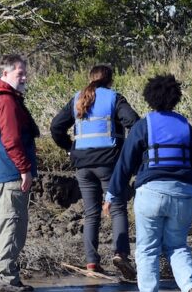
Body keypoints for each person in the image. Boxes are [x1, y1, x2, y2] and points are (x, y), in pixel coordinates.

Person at [104, 74, 192, 292]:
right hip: (183, 193)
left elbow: (125, 163)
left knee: (147, 250)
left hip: (150, 193)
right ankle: (190, 287)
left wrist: (112, 194)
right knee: (177, 246)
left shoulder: (143, 125)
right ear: (176, 97)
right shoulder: (185, 125)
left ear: (149, 98)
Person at [50, 65, 140, 278]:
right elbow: (135, 123)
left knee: (91, 213)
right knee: (117, 208)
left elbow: (56, 127)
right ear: (110, 80)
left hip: (83, 164)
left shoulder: (78, 98)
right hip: (108, 163)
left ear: (90, 78)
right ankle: (121, 255)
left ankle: (91, 263)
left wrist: (70, 148)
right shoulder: (114, 98)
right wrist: (128, 151)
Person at [0, 54, 40, 292]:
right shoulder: (5, 100)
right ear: (4, 74)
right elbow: (11, 140)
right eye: (19, 73)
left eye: (24, 73)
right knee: (12, 225)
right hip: (9, 173)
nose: (24, 77)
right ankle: (5, 277)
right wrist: (24, 169)